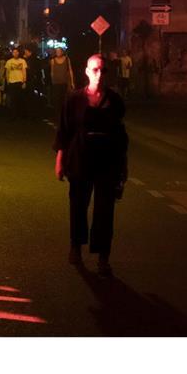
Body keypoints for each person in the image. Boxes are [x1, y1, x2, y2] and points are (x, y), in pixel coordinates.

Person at [54, 54, 128, 278]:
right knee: (78, 204)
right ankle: (76, 246)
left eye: (103, 70)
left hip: (107, 160)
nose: (99, 74)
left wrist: (123, 167)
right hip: (80, 158)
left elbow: (120, 136)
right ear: (86, 71)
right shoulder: (74, 99)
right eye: (95, 69)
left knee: (105, 210)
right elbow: (65, 131)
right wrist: (60, 160)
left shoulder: (115, 101)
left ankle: (103, 257)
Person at [47, 47, 75, 118]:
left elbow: (70, 70)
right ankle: (58, 115)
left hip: (64, 82)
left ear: (62, 52)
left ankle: (65, 114)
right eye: (57, 51)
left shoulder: (67, 59)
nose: (58, 52)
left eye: (59, 51)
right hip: (56, 83)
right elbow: (52, 72)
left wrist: (72, 82)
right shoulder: (53, 60)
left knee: (64, 99)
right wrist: (52, 80)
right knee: (57, 99)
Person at [3, 47, 27, 119]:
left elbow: (24, 71)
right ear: (12, 53)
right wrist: (7, 81)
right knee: (13, 99)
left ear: (18, 53)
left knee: (20, 99)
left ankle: (20, 114)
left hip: (20, 81)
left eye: (16, 52)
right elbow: (7, 72)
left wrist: (24, 81)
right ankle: (13, 115)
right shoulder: (9, 62)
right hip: (12, 82)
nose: (15, 53)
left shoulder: (22, 61)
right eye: (14, 52)